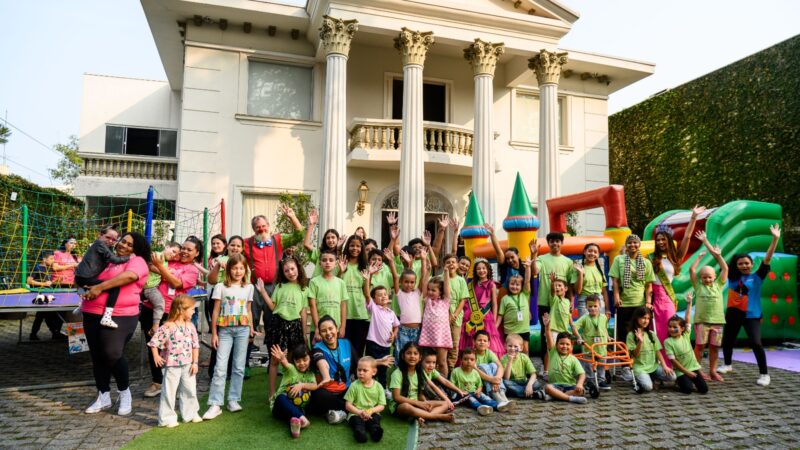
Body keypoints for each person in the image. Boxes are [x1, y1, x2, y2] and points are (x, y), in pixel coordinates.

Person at [82, 231, 151, 416]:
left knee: (112, 353)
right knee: (97, 356)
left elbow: (128, 277)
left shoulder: (137, 261)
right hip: (91, 312)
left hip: (121, 315)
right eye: (123, 242)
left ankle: (124, 392)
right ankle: (103, 396)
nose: (124, 246)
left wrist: (99, 287)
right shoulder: (108, 258)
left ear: (136, 249)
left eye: (130, 244)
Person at [719, 224, 781, 387]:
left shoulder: (758, 277)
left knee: (756, 343)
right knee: (727, 340)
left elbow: (767, 258)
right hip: (733, 314)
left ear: (752, 264)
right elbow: (722, 264)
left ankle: (764, 374)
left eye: (747, 263)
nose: (744, 265)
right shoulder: (732, 278)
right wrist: (713, 249)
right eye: (741, 264)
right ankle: (727, 364)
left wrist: (775, 239)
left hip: (751, 315)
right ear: (737, 266)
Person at [142, 236, 202, 398]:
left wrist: (161, 268)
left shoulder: (192, 270)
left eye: (189, 250)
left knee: (173, 348)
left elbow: (176, 283)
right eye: (183, 247)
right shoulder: (170, 260)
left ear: (196, 253)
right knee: (153, 345)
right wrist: (161, 267)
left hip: (173, 313)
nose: (184, 251)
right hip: (151, 308)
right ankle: (157, 382)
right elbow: (150, 267)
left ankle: (174, 383)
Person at [308, 316, 393, 425]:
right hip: (327, 391)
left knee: (357, 391)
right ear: (319, 333)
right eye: (323, 331)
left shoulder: (346, 344)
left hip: (346, 390)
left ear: (337, 328)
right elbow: (321, 361)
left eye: (331, 328)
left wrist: (378, 362)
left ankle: (339, 412)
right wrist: (326, 377)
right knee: (319, 396)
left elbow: (358, 363)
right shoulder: (317, 348)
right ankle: (349, 410)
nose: (328, 333)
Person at [650, 206, 704, 367]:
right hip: (652, 299)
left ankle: (672, 365)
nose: (660, 242)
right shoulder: (651, 258)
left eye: (663, 239)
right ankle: (657, 366)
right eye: (658, 240)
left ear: (668, 240)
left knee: (668, 332)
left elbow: (687, 237)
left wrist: (693, 217)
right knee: (655, 333)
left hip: (667, 300)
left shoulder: (675, 257)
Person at [203, 254, 254, 419]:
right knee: (220, 367)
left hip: (243, 330)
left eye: (241, 268)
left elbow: (248, 309)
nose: (238, 271)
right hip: (225, 331)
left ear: (245, 270)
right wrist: (214, 333)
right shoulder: (220, 286)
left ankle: (233, 399)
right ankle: (215, 403)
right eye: (235, 268)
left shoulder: (249, 287)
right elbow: (216, 311)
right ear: (229, 269)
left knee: (239, 367)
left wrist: (251, 329)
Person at [244, 208, 304, 338]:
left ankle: (272, 353)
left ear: (268, 226)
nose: (261, 229)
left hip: (275, 286)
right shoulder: (247, 243)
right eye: (257, 227)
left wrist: (292, 217)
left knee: (272, 320)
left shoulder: (278, 239)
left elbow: (300, 235)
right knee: (251, 320)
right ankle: (247, 349)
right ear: (253, 229)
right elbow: (232, 251)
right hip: (254, 287)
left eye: (264, 226)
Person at [257, 255, 310, 399]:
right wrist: (262, 291)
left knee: (294, 359)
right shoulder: (280, 287)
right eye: (286, 271)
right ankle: (272, 393)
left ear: (298, 268)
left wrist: (304, 333)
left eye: (292, 269)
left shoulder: (304, 288)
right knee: (275, 360)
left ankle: (294, 389)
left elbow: (303, 312)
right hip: (278, 325)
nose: (290, 272)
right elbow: (273, 306)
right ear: (283, 273)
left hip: (295, 327)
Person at [148, 294, 202, 427]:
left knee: (190, 389)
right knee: (169, 391)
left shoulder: (190, 326)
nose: (194, 311)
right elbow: (154, 342)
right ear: (181, 310)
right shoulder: (167, 326)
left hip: (188, 364)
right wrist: (156, 356)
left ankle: (191, 413)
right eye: (192, 309)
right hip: (171, 365)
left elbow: (195, 345)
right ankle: (167, 418)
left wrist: (195, 362)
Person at [609, 234, 655, 381]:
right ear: (626, 245)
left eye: (635, 243)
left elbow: (649, 284)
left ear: (639, 244)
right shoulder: (619, 260)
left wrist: (648, 301)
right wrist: (616, 296)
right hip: (624, 303)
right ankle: (624, 366)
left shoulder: (646, 263)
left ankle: (639, 364)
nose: (632, 246)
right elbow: (615, 281)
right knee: (623, 335)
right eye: (629, 243)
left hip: (640, 303)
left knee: (639, 333)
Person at [690, 231, 729, 382]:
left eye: (710, 277)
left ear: (714, 277)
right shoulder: (698, 286)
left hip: (717, 322)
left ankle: (713, 371)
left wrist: (718, 256)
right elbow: (692, 270)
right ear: (701, 278)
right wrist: (699, 257)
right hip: (702, 322)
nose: (707, 279)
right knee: (699, 347)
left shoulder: (719, 284)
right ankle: (697, 371)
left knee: (714, 347)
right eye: (704, 277)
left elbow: (725, 269)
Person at [75, 226, 131, 328]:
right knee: (114, 287)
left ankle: (81, 306)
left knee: (85, 289)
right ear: (100, 235)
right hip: (84, 277)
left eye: (114, 240)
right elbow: (114, 259)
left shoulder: (103, 246)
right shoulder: (100, 244)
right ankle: (107, 317)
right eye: (108, 237)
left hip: (80, 276)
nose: (110, 241)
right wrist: (129, 258)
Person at [389, 342, 454, 425]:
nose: (412, 356)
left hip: (417, 404)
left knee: (445, 404)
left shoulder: (420, 372)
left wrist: (424, 403)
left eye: (415, 353)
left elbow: (420, 393)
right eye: (409, 353)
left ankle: (422, 417)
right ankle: (437, 416)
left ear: (420, 358)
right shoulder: (397, 373)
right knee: (406, 406)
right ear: (403, 356)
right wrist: (418, 403)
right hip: (400, 406)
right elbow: (396, 397)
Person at [535, 232, 573, 373]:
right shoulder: (542, 258)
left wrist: (571, 301)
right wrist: (534, 255)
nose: (555, 243)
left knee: (563, 334)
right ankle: (545, 368)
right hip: (545, 303)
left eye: (558, 241)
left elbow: (570, 285)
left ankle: (562, 366)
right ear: (548, 243)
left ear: (561, 243)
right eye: (552, 241)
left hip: (562, 303)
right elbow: (535, 270)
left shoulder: (568, 262)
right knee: (546, 335)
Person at [270, 344, 319, 438]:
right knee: (280, 398)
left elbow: (315, 386)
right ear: (294, 361)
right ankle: (304, 420)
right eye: (298, 361)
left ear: (310, 359)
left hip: (298, 409)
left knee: (295, 415)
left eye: (305, 360)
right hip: (279, 408)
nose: (302, 363)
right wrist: (282, 358)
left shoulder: (310, 374)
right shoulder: (291, 369)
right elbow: (285, 363)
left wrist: (302, 385)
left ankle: (295, 425)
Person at [459, 259, 505, 357]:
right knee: (470, 339)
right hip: (470, 316)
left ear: (488, 270)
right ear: (475, 271)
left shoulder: (491, 284)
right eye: (478, 269)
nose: (481, 270)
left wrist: (495, 319)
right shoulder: (471, 284)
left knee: (486, 339)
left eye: (483, 268)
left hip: (486, 317)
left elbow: (494, 304)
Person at [665, 293, 708, 395]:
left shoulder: (686, 335)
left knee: (704, 390)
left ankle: (689, 380)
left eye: (675, 327)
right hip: (681, 371)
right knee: (687, 390)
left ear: (682, 328)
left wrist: (689, 303)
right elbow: (674, 362)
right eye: (670, 327)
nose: (672, 329)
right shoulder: (668, 342)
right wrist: (687, 373)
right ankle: (680, 381)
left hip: (693, 368)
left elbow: (687, 318)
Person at [540, 314, 589, 404]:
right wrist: (547, 327)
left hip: (570, 386)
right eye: (562, 344)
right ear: (556, 344)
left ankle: (555, 396)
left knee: (581, 391)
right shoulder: (553, 352)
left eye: (567, 344)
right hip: (555, 385)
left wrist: (580, 384)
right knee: (547, 387)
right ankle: (570, 398)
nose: (564, 346)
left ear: (571, 346)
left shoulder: (573, 359)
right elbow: (549, 337)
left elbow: (582, 374)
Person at [627, 306, 676, 393]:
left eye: (648, 318)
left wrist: (665, 366)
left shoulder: (651, 334)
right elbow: (635, 355)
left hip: (654, 367)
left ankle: (652, 377)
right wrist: (640, 342)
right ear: (636, 318)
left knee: (672, 377)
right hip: (640, 368)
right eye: (643, 318)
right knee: (648, 387)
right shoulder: (631, 335)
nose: (646, 321)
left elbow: (658, 351)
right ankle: (636, 378)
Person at [418, 258, 452, 377]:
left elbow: (447, 289)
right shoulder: (427, 300)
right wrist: (427, 271)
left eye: (434, 290)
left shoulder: (445, 301)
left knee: (442, 362)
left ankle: (444, 385)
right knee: (426, 361)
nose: (430, 292)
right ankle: (426, 383)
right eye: (429, 290)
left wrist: (446, 273)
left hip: (441, 336)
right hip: (428, 335)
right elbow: (424, 285)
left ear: (440, 291)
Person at [339, 235, 371, 357]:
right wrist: (341, 271)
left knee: (359, 347)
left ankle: (357, 373)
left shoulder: (364, 266)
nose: (355, 248)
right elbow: (336, 284)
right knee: (344, 347)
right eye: (352, 245)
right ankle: (346, 373)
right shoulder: (341, 263)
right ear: (348, 246)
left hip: (360, 313)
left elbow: (366, 292)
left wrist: (367, 280)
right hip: (344, 313)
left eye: (358, 246)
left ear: (362, 248)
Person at [308, 250, 348, 343]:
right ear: (320, 263)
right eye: (324, 260)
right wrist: (318, 328)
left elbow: (343, 306)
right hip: (319, 330)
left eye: (331, 260)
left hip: (335, 329)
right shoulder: (314, 282)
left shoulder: (341, 283)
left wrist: (342, 327)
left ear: (336, 263)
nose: (327, 262)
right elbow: (313, 306)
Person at [344, 356, 386, 443]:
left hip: (372, 412)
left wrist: (370, 411)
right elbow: (348, 405)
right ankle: (360, 433)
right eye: (359, 370)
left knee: (375, 421)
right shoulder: (354, 385)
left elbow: (381, 405)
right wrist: (360, 412)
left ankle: (376, 432)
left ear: (374, 372)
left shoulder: (378, 386)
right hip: (356, 413)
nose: (361, 373)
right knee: (357, 422)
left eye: (365, 370)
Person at [26, 250, 66, 341]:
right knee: (46, 314)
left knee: (42, 315)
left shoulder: (49, 268)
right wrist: (43, 284)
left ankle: (34, 334)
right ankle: (54, 333)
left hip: (47, 295)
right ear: (44, 259)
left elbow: (49, 282)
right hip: (39, 294)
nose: (53, 260)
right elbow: (29, 281)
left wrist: (57, 280)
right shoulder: (37, 267)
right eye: (51, 258)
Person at [393, 253, 426, 362]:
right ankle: (399, 375)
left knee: (415, 355)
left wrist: (424, 259)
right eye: (406, 282)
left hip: (417, 330)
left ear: (415, 283)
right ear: (401, 282)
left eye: (412, 282)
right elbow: (394, 276)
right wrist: (391, 261)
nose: (409, 284)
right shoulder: (399, 293)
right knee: (401, 354)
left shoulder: (417, 292)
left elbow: (423, 276)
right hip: (403, 330)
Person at [574, 295, 611, 390]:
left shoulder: (603, 317)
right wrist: (579, 337)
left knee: (602, 364)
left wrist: (608, 336)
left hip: (602, 347)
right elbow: (574, 327)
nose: (592, 308)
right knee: (589, 365)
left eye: (595, 306)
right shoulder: (584, 318)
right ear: (586, 307)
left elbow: (604, 328)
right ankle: (589, 381)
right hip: (589, 348)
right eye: (590, 306)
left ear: (600, 306)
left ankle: (601, 380)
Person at [496, 257, 533, 354]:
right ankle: (510, 368)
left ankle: (526, 368)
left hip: (524, 329)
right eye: (512, 284)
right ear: (508, 285)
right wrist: (495, 327)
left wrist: (528, 267)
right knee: (511, 351)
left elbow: (527, 281)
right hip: (510, 330)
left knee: (525, 350)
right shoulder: (505, 299)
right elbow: (500, 316)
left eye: (517, 285)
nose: (514, 286)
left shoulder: (525, 294)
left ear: (521, 287)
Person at [365, 285, 399, 386]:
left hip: (386, 346)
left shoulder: (391, 313)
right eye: (379, 295)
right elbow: (367, 295)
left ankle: (383, 388)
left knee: (383, 369)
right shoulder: (374, 309)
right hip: (374, 344)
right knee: (372, 367)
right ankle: (370, 386)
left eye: (385, 294)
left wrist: (394, 335)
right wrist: (367, 279)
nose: (383, 296)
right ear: (374, 299)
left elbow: (396, 326)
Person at [442, 253, 469, 372]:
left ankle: (451, 369)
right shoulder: (440, 278)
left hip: (457, 316)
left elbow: (463, 299)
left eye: (453, 262)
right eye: (448, 262)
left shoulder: (461, 280)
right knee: (443, 343)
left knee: (454, 344)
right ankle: (441, 368)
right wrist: (448, 314)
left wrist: (455, 314)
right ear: (444, 265)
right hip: (442, 315)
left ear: (457, 264)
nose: (451, 264)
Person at [472, 330, 512, 410]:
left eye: (485, 341)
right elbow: (475, 370)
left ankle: (503, 396)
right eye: (479, 340)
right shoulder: (472, 354)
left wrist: (496, 379)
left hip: (493, 382)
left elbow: (500, 367)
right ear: (474, 342)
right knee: (483, 366)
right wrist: (492, 379)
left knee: (494, 365)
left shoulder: (489, 352)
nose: (482, 342)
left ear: (488, 343)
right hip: (480, 380)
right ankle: (498, 399)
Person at [450, 349, 498, 415]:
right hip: (462, 394)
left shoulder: (475, 372)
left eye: (472, 360)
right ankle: (480, 407)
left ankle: (497, 406)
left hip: (474, 392)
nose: (469, 361)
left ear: (475, 361)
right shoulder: (456, 371)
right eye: (466, 359)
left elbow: (479, 385)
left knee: (484, 397)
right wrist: (460, 390)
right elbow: (451, 385)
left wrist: (478, 391)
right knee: (472, 400)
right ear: (461, 360)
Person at [303, 208, 343, 278]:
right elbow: (306, 245)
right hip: (316, 285)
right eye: (328, 238)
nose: (330, 240)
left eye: (333, 237)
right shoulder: (319, 253)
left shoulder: (341, 256)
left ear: (338, 239)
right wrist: (312, 225)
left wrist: (338, 249)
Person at [571, 243, 609, 317]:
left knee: (599, 327)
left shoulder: (599, 270)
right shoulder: (578, 269)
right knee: (586, 327)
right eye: (590, 251)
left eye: (595, 252)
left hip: (599, 302)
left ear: (598, 255)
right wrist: (581, 274)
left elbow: (604, 291)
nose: (592, 253)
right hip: (584, 302)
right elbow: (578, 291)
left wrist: (607, 309)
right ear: (584, 252)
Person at [501, 334, 543, 399]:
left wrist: (529, 385)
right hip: (512, 382)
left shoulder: (524, 357)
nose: (512, 348)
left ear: (521, 348)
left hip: (523, 381)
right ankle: (530, 394)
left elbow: (533, 374)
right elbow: (506, 378)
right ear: (505, 346)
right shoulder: (504, 358)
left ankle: (523, 392)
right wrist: (510, 361)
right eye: (510, 346)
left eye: (515, 346)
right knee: (504, 383)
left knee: (537, 383)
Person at [548, 274, 581, 345]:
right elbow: (552, 291)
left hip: (564, 333)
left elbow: (571, 323)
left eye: (559, 285)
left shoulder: (567, 302)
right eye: (555, 286)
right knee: (553, 352)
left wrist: (578, 336)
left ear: (566, 288)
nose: (557, 287)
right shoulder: (554, 299)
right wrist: (552, 282)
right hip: (554, 331)